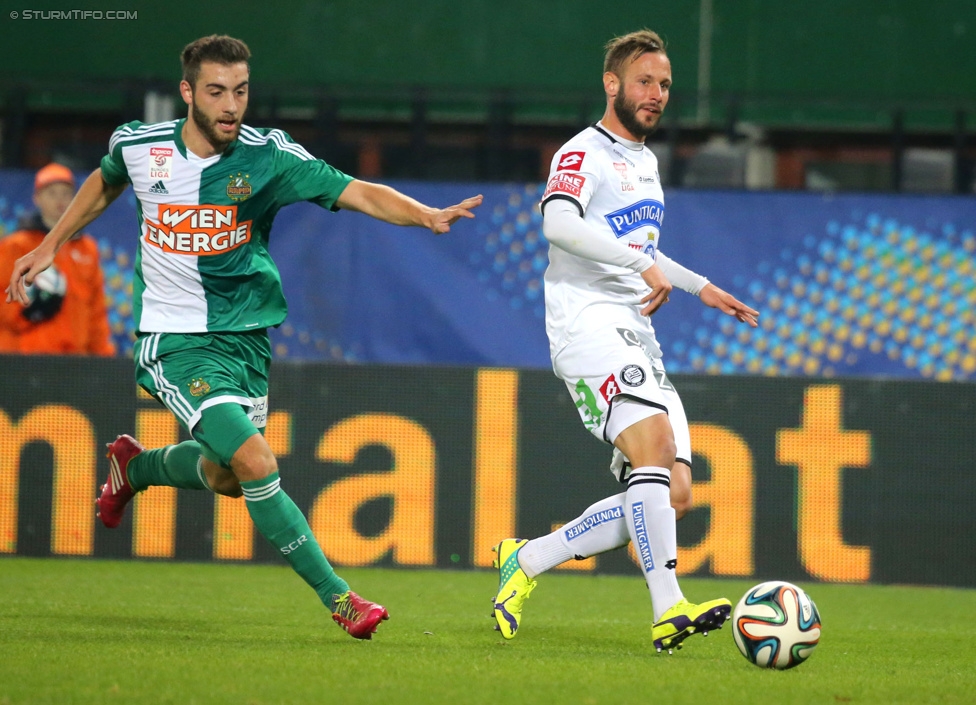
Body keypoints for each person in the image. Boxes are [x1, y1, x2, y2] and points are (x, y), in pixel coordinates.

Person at [6, 35, 482, 641]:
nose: (231, 105)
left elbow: (355, 190)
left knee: (228, 476)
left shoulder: (269, 157)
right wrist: (51, 245)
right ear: (187, 94)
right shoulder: (139, 145)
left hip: (246, 339)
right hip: (173, 340)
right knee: (255, 461)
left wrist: (426, 214)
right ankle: (341, 599)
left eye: (241, 91)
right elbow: (105, 182)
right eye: (216, 92)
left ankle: (137, 467)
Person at [489, 29, 759, 654]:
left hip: (634, 328)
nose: (656, 94)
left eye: (665, 84)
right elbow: (558, 222)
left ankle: (526, 559)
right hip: (586, 321)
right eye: (644, 81)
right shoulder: (583, 150)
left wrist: (699, 286)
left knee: (677, 492)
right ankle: (669, 609)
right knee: (654, 448)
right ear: (612, 84)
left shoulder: (645, 161)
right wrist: (643, 269)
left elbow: (641, 246)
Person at [0, 163, 115, 356]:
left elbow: (96, 311)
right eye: (51, 193)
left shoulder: (88, 248)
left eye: (65, 193)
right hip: (24, 356)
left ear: (75, 198)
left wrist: (103, 357)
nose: (59, 200)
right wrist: (28, 312)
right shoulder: (16, 245)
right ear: (37, 198)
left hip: (75, 360)